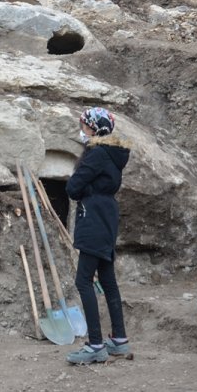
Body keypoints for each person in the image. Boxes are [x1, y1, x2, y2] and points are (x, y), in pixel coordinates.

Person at [64, 107, 132, 365]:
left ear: (96, 129)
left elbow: (72, 187)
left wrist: (85, 188)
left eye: (85, 127)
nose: (82, 132)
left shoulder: (97, 154)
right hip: (107, 218)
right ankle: (119, 340)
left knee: (83, 281)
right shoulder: (114, 155)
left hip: (93, 218)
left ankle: (94, 344)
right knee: (107, 278)